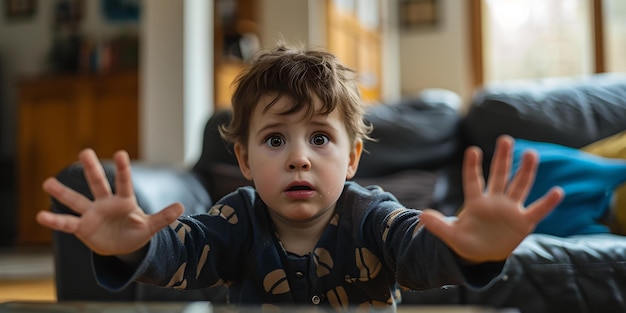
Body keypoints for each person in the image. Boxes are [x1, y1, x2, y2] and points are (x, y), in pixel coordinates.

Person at [37, 43, 563, 311]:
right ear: (243, 161)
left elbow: (419, 251)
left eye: (319, 138)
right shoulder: (235, 219)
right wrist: (129, 248)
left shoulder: (372, 214)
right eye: (274, 140)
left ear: (352, 158)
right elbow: (179, 253)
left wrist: (474, 250)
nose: (299, 158)